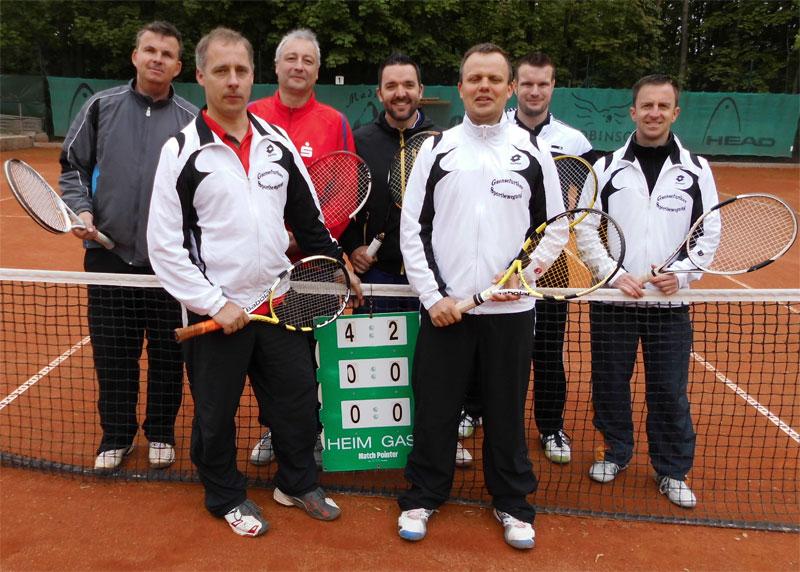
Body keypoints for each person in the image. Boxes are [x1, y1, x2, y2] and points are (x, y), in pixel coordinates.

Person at [148, 27, 360, 537]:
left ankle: (297, 482)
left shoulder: (276, 143)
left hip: (278, 304)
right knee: (216, 415)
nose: (233, 80)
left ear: (252, 76)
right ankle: (224, 495)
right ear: (201, 76)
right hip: (217, 313)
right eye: (221, 70)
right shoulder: (181, 151)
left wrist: (337, 267)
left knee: (297, 403)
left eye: (241, 70)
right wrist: (213, 303)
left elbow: (309, 220)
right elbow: (165, 246)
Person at [397, 43, 568, 550]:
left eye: (494, 79)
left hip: (510, 312)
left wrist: (523, 277)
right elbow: (413, 229)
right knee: (436, 409)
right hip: (446, 311)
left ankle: (513, 503)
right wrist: (433, 297)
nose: (484, 86)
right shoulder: (436, 149)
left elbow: (555, 229)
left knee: (505, 411)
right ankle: (423, 496)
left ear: (509, 88)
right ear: (461, 87)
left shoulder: (533, 152)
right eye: (475, 78)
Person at [59, 21, 197, 472]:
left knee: (167, 354)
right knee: (113, 353)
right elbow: (73, 166)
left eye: (167, 54)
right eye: (150, 50)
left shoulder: (193, 121)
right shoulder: (101, 107)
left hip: (169, 262)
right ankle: (116, 436)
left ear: (178, 66)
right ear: (135, 56)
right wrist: (82, 211)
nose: (157, 59)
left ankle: (160, 432)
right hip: (108, 256)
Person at [459, 52, 601, 463]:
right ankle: (473, 408)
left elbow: (586, 205)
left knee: (548, 349)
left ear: (553, 87)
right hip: (496, 258)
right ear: (514, 87)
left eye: (543, 84)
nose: (534, 91)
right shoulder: (490, 133)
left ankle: (551, 426)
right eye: (527, 84)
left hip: (550, 262)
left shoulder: (575, 143)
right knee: (483, 341)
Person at [586, 74, 719, 509]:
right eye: (647, 105)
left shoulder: (696, 170)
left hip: (669, 303)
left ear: (675, 113)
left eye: (663, 106)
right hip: (615, 301)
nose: (654, 113)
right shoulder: (606, 168)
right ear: (633, 111)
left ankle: (672, 469)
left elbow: (709, 233)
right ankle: (616, 452)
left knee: (668, 390)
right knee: (610, 383)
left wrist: (681, 275)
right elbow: (586, 228)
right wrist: (613, 275)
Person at [338, 52, 472, 468]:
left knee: (434, 370)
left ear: (421, 91)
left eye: (408, 85)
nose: (400, 93)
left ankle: (441, 438)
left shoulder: (444, 143)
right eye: (392, 86)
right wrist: (352, 247)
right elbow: (344, 204)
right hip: (377, 277)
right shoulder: (359, 141)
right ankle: (377, 444)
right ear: (380, 93)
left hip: (430, 282)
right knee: (379, 363)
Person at [248, 29, 356, 466]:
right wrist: (275, 237)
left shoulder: (335, 122)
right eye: (290, 58)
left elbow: (344, 192)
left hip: (314, 265)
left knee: (310, 354)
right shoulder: (251, 115)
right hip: (260, 266)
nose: (298, 66)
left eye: (307, 60)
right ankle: (276, 429)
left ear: (317, 70)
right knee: (266, 356)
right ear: (276, 66)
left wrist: (304, 239)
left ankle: (313, 429)